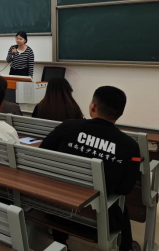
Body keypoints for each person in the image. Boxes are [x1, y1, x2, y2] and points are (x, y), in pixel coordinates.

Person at [40, 86, 140, 251]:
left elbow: (43, 153)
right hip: (98, 218)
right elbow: (125, 188)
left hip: (56, 209)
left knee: (66, 186)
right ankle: (127, 247)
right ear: (120, 113)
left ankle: (60, 241)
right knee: (120, 205)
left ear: (93, 107)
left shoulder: (68, 127)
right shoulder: (129, 146)